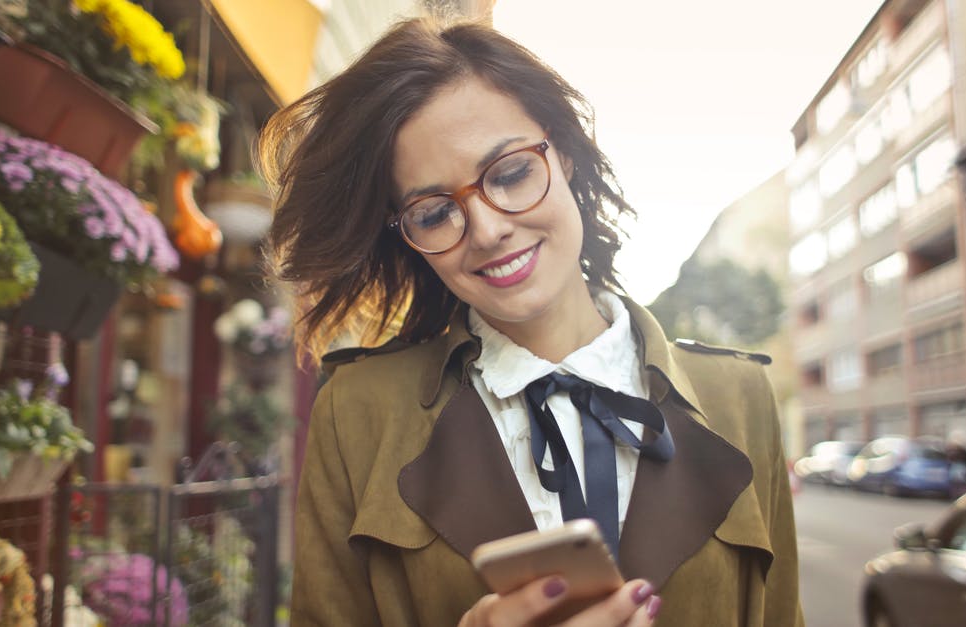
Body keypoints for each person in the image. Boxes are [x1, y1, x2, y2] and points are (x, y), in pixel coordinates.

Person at [260, 17, 803, 627]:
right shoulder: (357, 411)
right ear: (407, 236)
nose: (489, 230)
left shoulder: (741, 396)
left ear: (563, 154)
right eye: (435, 212)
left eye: (512, 173)